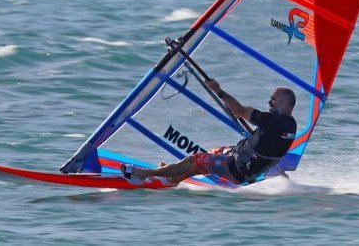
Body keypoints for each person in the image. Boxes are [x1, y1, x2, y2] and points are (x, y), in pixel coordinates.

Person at [120, 79, 297, 186]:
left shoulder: (271, 121)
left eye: (274, 99)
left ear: (285, 103)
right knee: (212, 154)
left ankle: (142, 174)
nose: (269, 101)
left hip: (237, 169)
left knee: (195, 160)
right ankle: (175, 179)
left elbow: (240, 110)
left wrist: (218, 91)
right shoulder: (290, 125)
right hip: (245, 161)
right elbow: (269, 141)